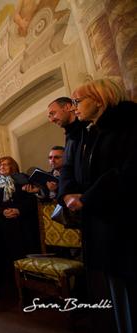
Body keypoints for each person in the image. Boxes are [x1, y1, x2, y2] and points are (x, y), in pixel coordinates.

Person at [60, 79, 137, 333]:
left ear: (100, 100)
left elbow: (126, 172)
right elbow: (77, 173)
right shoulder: (91, 133)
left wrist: (86, 198)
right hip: (100, 226)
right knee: (114, 295)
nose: (73, 108)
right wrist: (69, 193)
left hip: (123, 226)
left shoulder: (128, 127)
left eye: (77, 101)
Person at [0, 156, 39, 298]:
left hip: (21, 223)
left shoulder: (23, 179)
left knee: (21, 254)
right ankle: (8, 287)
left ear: (13, 166)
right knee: (3, 255)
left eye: (6, 164)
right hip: (1, 224)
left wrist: (19, 210)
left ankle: (27, 286)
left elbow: (32, 199)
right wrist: (2, 211)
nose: (2, 167)